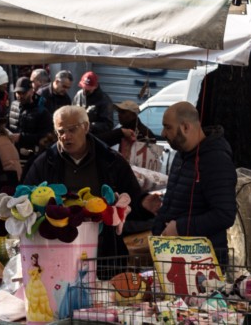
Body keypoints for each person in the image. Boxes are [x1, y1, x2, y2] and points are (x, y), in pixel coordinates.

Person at [24, 106, 160, 260]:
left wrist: (144, 204)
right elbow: (26, 198)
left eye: (72, 130)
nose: (66, 136)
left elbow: (131, 199)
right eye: (60, 132)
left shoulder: (111, 160)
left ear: (86, 127)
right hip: (57, 247)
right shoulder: (45, 162)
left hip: (102, 247)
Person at [152, 101, 237, 264]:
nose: (163, 133)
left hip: (203, 263)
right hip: (174, 257)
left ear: (185, 127)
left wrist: (180, 228)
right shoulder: (181, 155)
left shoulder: (216, 160)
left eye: (168, 127)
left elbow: (224, 214)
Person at [7, 77, 54, 167]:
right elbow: (8, 125)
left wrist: (22, 137)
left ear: (31, 91)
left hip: (34, 158)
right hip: (13, 155)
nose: (20, 96)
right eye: (18, 93)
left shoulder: (42, 111)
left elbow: (46, 136)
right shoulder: (14, 106)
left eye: (23, 93)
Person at [73, 71, 114, 136]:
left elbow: (108, 125)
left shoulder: (104, 100)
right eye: (83, 87)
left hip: (95, 137)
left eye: (88, 89)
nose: (85, 90)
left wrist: (90, 126)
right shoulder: (79, 95)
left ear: (95, 86)